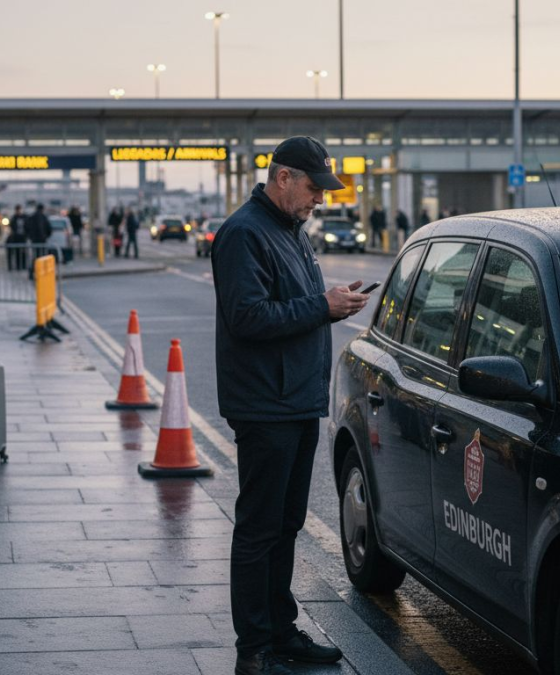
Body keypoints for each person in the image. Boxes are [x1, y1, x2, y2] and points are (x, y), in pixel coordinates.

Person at [212, 136, 367, 675]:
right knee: (259, 528)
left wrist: (328, 302)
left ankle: (280, 629)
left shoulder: (289, 232)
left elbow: (292, 307)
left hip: (296, 401)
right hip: (265, 405)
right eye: (312, 187)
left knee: (286, 524)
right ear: (282, 178)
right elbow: (249, 318)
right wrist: (322, 306)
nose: (319, 199)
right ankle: (254, 648)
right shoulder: (243, 234)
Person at [25, 203, 52, 278]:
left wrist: (30, 236)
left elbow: (26, 227)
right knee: (42, 256)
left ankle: (32, 272)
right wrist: (46, 236)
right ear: (42, 209)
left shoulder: (31, 217)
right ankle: (41, 272)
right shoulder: (44, 217)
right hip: (42, 240)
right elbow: (49, 228)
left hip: (34, 240)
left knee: (35, 256)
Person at [7, 204, 28, 271]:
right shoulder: (14, 218)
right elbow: (11, 226)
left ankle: (23, 265)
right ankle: (18, 266)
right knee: (17, 252)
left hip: (23, 237)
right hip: (16, 237)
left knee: (23, 252)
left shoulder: (24, 217)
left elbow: (27, 226)